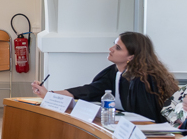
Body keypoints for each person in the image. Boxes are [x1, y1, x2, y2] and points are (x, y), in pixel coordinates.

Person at [32, 31, 178, 123]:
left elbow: (147, 119)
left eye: (118, 48)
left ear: (131, 57)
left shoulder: (144, 80)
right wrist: (49, 94)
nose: (111, 49)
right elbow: (89, 91)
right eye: (114, 45)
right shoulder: (113, 72)